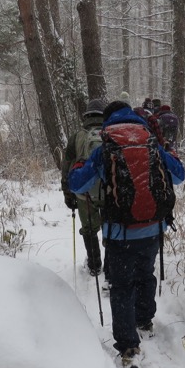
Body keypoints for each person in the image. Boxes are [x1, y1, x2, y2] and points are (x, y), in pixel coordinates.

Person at [69, 100, 185, 368]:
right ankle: (144, 319)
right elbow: (179, 175)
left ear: (109, 121)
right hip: (153, 228)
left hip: (120, 233)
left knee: (121, 287)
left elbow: (78, 184)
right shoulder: (150, 142)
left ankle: (129, 348)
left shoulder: (106, 146)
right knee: (145, 273)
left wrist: (80, 166)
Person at [61, 99, 106, 276]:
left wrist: (67, 191)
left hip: (83, 193)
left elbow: (67, 166)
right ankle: (111, 267)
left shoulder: (77, 136)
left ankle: (94, 265)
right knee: (111, 228)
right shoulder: (111, 133)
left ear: (86, 115)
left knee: (89, 229)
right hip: (109, 191)